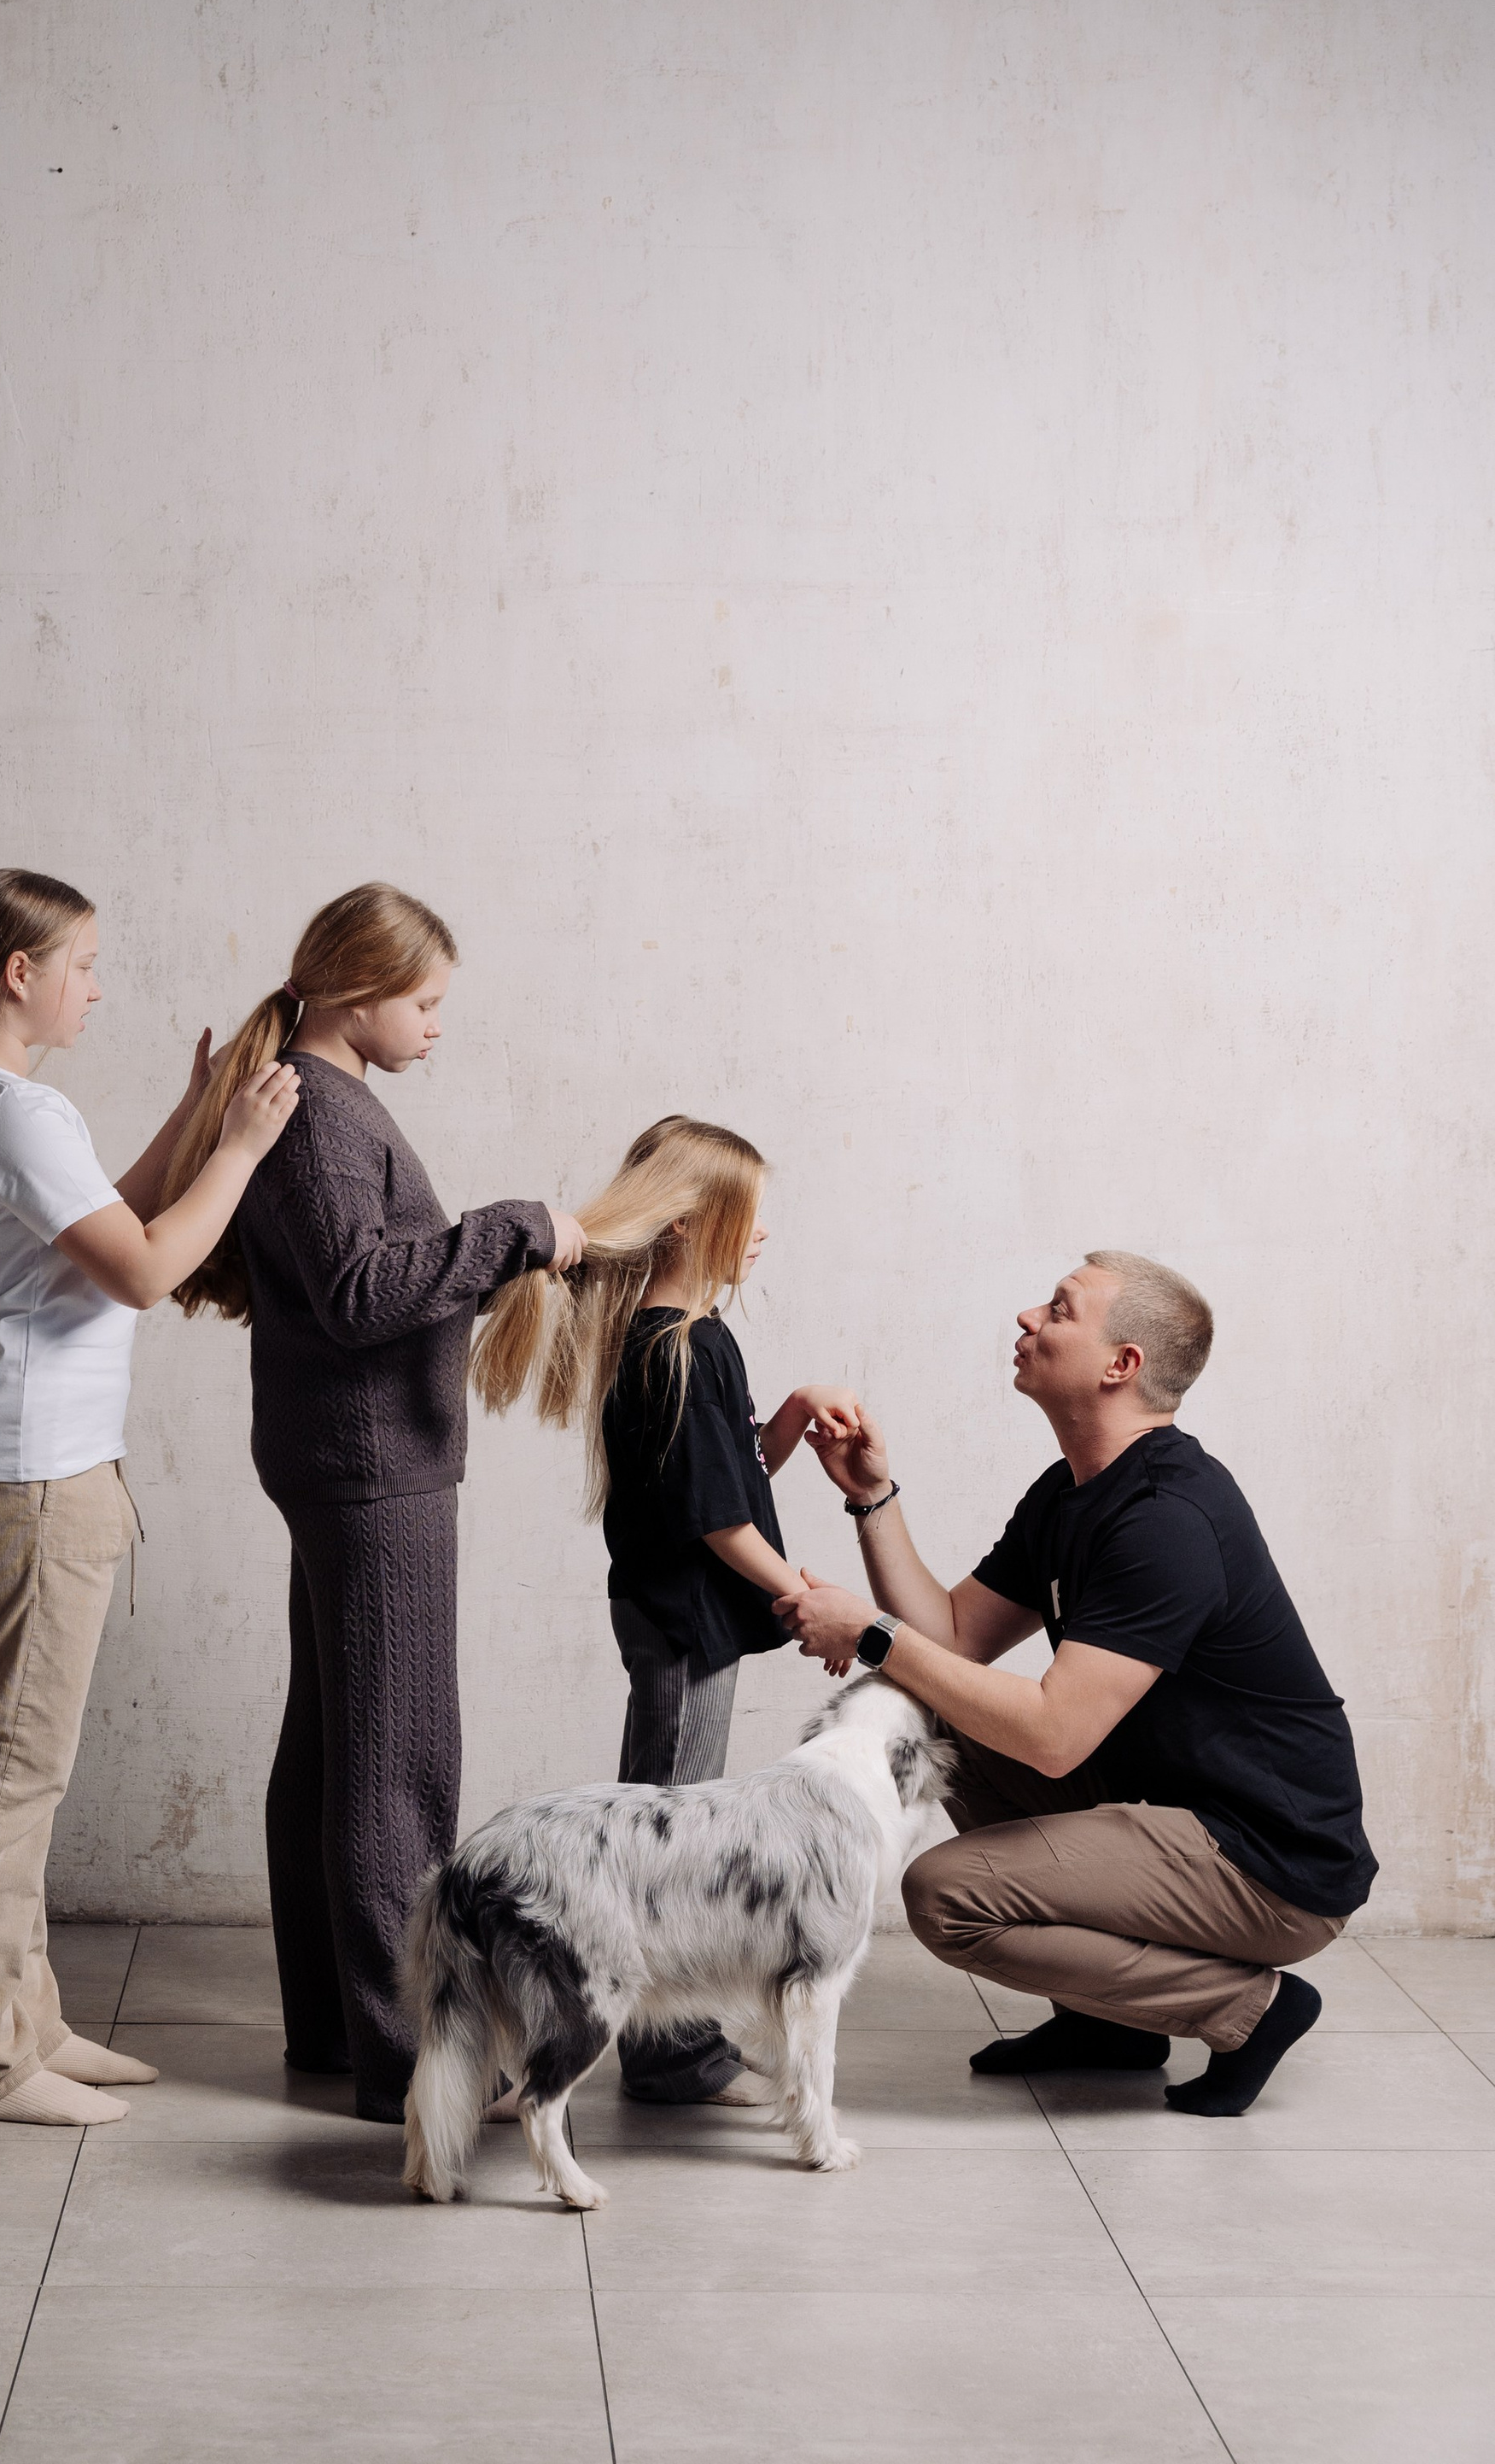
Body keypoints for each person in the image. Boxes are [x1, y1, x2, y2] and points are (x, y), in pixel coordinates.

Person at [0, 869, 300, 2127]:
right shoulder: (10, 1112)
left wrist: (197, 1114)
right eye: (83, 963)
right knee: (5, 1775)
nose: (98, 985)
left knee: (15, 1762)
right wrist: (245, 1148)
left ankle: (27, 2017)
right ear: (17, 974)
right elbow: (146, 1268)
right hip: (28, 1474)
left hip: (8, 1458)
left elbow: (112, 1214)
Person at [162, 883, 586, 2123]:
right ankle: (410, 2057)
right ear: (355, 994)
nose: (437, 1022)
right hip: (372, 1465)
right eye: (424, 999)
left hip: (345, 1457)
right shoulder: (323, 1116)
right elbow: (360, 1291)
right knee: (398, 1761)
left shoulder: (323, 1101)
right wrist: (515, 1227)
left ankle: (335, 2027)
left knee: (338, 1744)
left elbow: (372, 1281)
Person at [779, 1250, 1376, 2116]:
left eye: (1058, 1310)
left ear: (1119, 1364)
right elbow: (953, 1639)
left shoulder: (1168, 1518)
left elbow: (1052, 1737)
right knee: (937, 1714)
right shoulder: (1072, 1491)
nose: (1027, 1317)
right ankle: (1111, 2025)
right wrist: (872, 1498)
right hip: (1170, 1811)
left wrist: (871, 1636)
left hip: (1267, 1859)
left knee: (946, 1897)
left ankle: (1251, 2009)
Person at [475, 1115, 867, 2107]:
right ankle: (668, 2052)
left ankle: (666, 2044)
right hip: (686, 1622)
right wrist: (802, 1593)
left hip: (678, 1616)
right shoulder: (676, 1346)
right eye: (749, 1214)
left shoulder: (687, 1341)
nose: (763, 1233)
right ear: (692, 1224)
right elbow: (719, 1521)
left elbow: (727, 1480)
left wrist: (785, 1414)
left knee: (664, 1818)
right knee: (670, 1835)